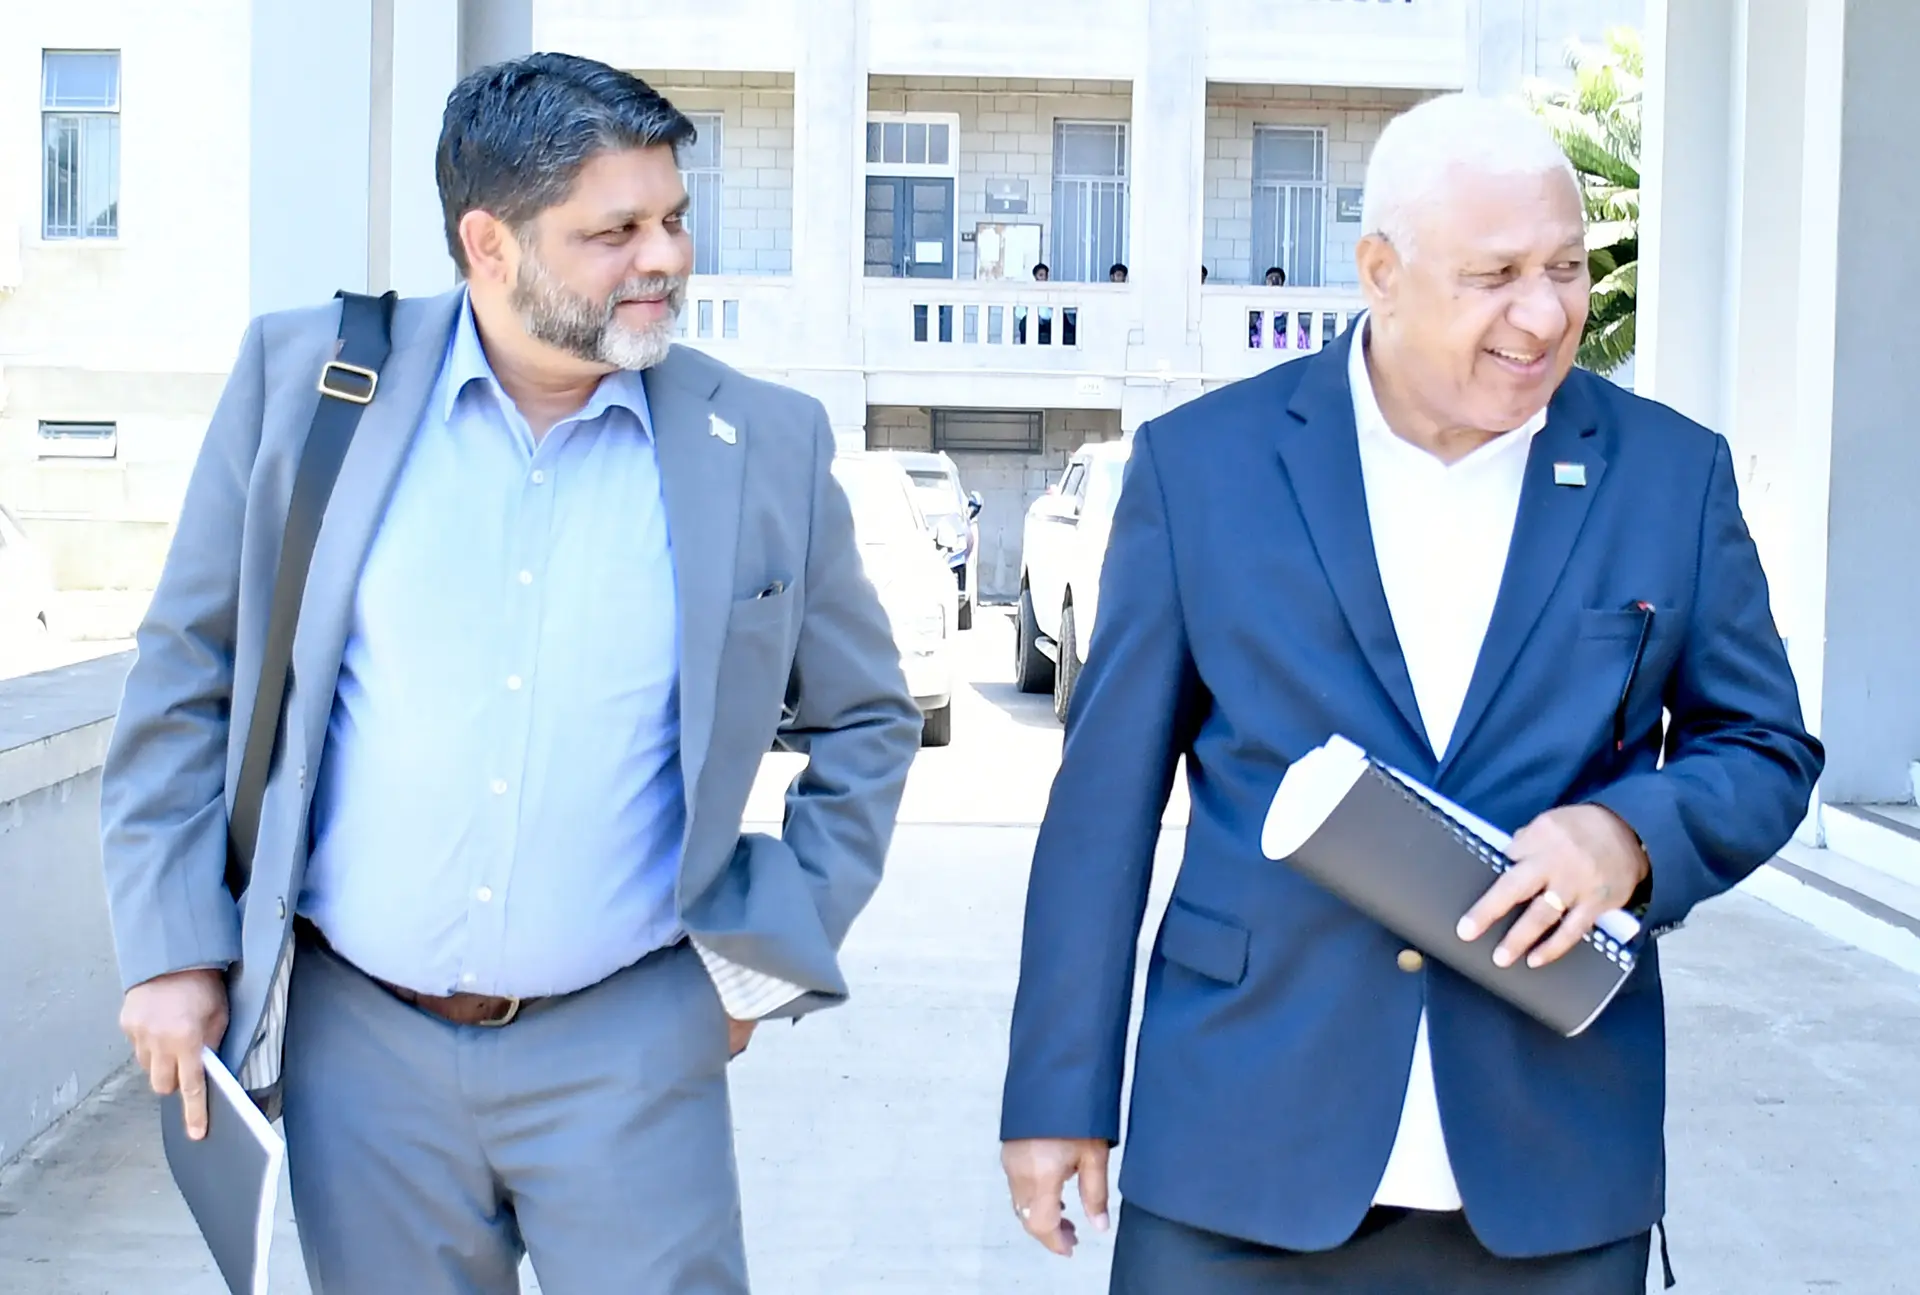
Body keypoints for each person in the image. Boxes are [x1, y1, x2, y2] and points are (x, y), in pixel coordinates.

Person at [101, 53, 922, 1294]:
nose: (666, 257)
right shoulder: (308, 386)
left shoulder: (763, 443)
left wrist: (761, 958)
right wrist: (172, 945)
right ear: (488, 243)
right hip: (361, 1060)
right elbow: (188, 672)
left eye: (674, 218)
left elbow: (867, 719)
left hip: (634, 1043)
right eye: (615, 232)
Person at [999, 92, 1823, 1293]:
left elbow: (1762, 744)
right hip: (1238, 1146)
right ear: (1380, 271)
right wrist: (1057, 1088)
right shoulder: (1204, 468)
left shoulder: (1669, 474)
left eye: (1566, 267)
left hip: (1552, 1163)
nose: (1544, 313)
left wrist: (1627, 837)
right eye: (1495, 275)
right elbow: (1102, 809)